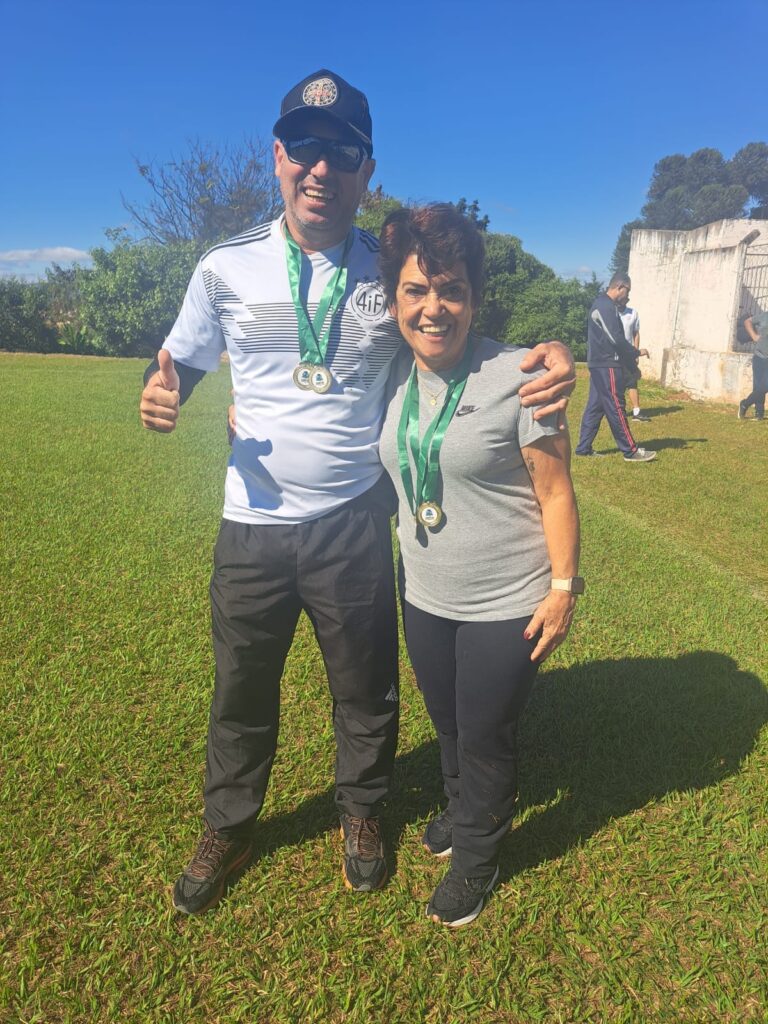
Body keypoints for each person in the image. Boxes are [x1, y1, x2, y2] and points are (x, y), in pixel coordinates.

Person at [139, 69, 577, 916]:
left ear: (365, 168)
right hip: (253, 524)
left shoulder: (394, 269)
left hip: (353, 521)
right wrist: (163, 398)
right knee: (240, 689)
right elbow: (180, 368)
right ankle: (229, 824)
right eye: (304, 148)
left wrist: (553, 346)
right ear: (277, 157)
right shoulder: (224, 268)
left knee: (365, 690)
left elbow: (461, 326)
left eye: (341, 153)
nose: (320, 168)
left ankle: (365, 815)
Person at [377, 204, 581, 927]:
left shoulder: (518, 375)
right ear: (396, 299)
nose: (434, 308)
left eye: (451, 289)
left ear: (474, 297)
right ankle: (463, 812)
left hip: (508, 599)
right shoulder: (390, 375)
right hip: (426, 591)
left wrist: (563, 589)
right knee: (449, 723)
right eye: (416, 290)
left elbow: (555, 490)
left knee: (486, 732)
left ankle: (477, 861)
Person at [575, 273, 657, 462]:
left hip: (599, 364)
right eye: (627, 291)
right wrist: (635, 353)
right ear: (620, 287)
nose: (627, 295)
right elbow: (616, 339)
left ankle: (583, 448)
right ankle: (630, 450)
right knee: (616, 406)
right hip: (607, 365)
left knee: (595, 407)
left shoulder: (606, 306)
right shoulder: (604, 306)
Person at [617, 295, 650, 422]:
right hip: (615, 354)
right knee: (617, 383)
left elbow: (635, 333)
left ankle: (636, 412)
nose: (621, 302)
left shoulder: (633, 314)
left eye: (623, 300)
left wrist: (636, 352)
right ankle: (619, 411)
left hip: (629, 353)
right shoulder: (612, 314)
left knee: (632, 382)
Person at [738, 310, 768, 420]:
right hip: (759, 356)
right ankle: (759, 413)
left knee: (765, 386)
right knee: (759, 386)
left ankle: (745, 404)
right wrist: (754, 336)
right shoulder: (764, 316)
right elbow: (747, 321)